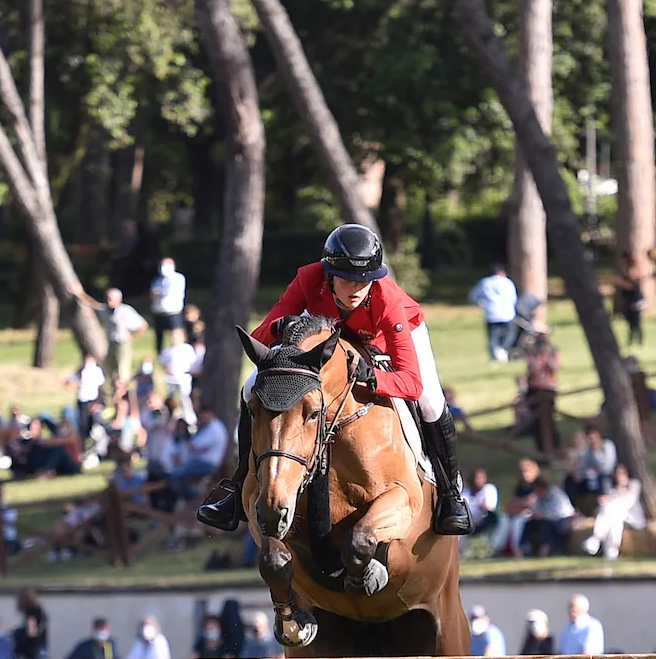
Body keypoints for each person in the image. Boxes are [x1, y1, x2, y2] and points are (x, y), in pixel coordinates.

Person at [198, 224, 472, 535]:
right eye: (346, 279)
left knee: (431, 403)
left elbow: (411, 382)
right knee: (251, 387)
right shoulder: (308, 279)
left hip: (385, 341)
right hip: (331, 338)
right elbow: (261, 336)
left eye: (364, 281)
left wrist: (373, 379)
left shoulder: (388, 301)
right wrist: (280, 326)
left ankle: (451, 495)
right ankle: (237, 487)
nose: (356, 288)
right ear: (329, 275)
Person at [81, 286, 149, 390]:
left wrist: (132, 336)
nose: (109, 301)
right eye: (108, 298)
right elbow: (94, 305)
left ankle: (124, 392)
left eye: (111, 298)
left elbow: (143, 325)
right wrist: (80, 294)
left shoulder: (125, 310)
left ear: (119, 299)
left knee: (123, 370)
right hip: (111, 343)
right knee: (109, 370)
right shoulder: (106, 310)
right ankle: (112, 391)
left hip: (122, 344)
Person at [583, 464, 645, 561]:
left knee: (610, 508)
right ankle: (611, 553)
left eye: (622, 473)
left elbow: (628, 503)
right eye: (617, 474)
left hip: (632, 517)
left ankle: (596, 538)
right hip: (616, 517)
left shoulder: (634, 485)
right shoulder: (612, 489)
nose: (620, 476)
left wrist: (611, 501)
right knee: (614, 520)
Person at [166, 406, 228, 499]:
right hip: (202, 462)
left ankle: (196, 500)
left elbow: (195, 446)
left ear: (209, 414)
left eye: (203, 416)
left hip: (205, 464)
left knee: (176, 476)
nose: (201, 419)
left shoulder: (214, 428)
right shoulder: (210, 427)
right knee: (175, 475)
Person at [468, 263, 518, 362]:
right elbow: (513, 298)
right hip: (507, 312)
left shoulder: (485, 282)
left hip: (491, 313)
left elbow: (473, 296)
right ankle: (503, 350)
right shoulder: (507, 282)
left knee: (493, 336)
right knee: (510, 333)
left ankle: (494, 357)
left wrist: (479, 303)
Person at [494, 456, 541, 557]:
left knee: (518, 521)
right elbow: (514, 501)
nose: (524, 474)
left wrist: (519, 503)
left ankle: (518, 549)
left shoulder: (537, 484)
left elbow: (531, 502)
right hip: (519, 511)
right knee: (504, 519)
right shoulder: (520, 486)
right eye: (522, 472)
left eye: (527, 471)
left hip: (534, 513)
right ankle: (498, 548)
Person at [521, 477, 575, 557]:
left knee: (546, 524)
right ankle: (524, 548)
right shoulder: (539, 497)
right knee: (529, 524)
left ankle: (546, 548)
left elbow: (560, 512)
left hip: (563, 520)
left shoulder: (556, 495)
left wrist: (543, 515)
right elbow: (536, 509)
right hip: (548, 520)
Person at [524, 337, 560, 454]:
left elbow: (555, 367)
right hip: (535, 390)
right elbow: (532, 369)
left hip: (548, 390)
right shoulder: (532, 356)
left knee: (549, 420)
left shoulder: (552, 354)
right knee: (537, 422)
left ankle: (554, 447)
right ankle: (541, 450)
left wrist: (548, 356)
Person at [564, 424, 618, 502]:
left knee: (601, 479)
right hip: (594, 477)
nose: (592, 441)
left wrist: (596, 454)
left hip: (608, 475)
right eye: (590, 438)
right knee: (570, 480)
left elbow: (608, 467)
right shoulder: (589, 450)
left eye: (593, 438)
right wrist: (578, 474)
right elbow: (584, 465)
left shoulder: (607, 446)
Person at [149, 256, 187, 352]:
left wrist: (159, 293)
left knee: (176, 335)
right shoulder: (157, 280)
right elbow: (152, 293)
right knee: (159, 337)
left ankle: (177, 353)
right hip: (159, 311)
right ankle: (160, 355)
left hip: (173, 311)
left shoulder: (178, 278)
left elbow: (170, 292)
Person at [67, 353, 106, 439]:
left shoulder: (97, 371)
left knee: (94, 422)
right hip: (83, 399)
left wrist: (98, 401)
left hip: (93, 399)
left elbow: (101, 386)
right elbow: (69, 382)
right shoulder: (81, 371)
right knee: (83, 422)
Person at [613, 250, 644, 346]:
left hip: (635, 300)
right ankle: (631, 340)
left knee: (636, 322)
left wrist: (620, 282)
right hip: (629, 300)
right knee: (630, 322)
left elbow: (632, 286)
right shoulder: (626, 270)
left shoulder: (633, 270)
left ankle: (638, 341)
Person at [461, 466, 499, 542]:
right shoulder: (465, 492)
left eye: (480, 478)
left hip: (485, 520)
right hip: (468, 521)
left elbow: (490, 507)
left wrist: (478, 504)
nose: (477, 481)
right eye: (475, 478)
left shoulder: (489, 489)